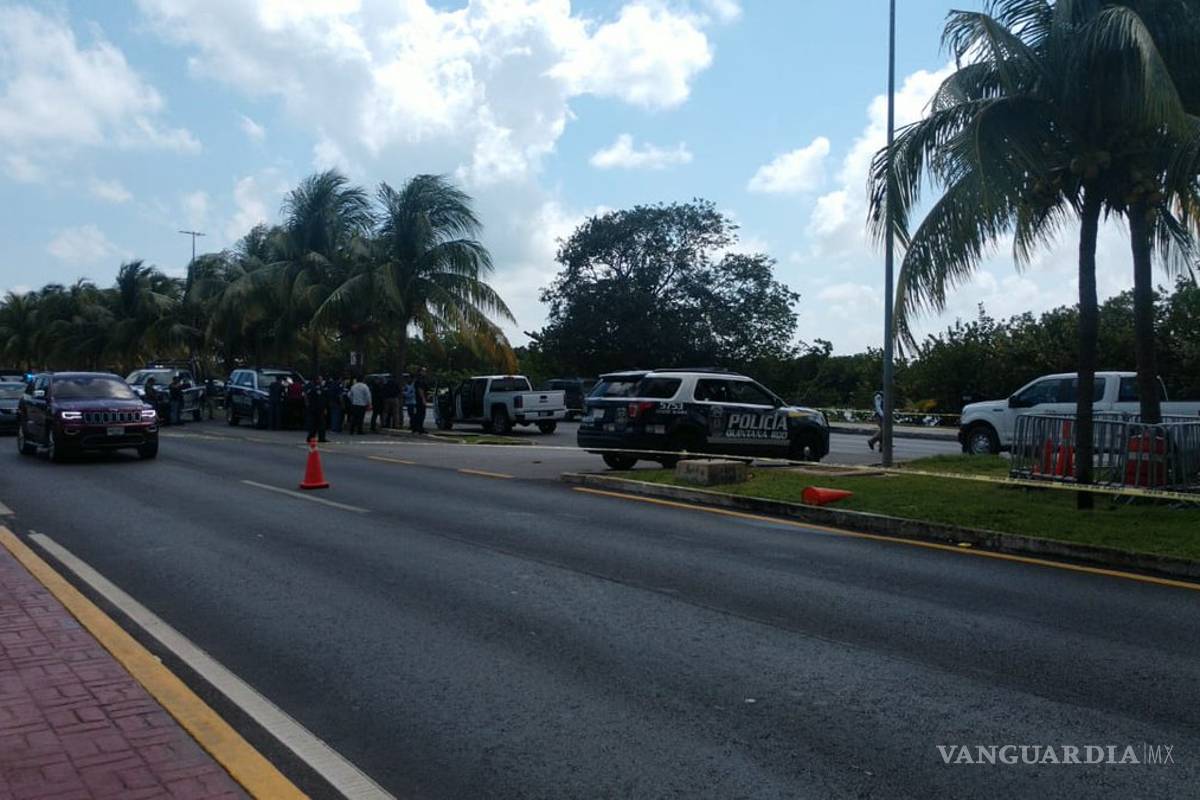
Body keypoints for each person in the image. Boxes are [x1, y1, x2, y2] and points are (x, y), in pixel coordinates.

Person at [304, 375, 328, 443]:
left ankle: (321, 438)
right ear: (317, 380)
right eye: (320, 379)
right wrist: (308, 404)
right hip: (314, 408)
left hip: (320, 408)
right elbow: (306, 396)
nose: (321, 381)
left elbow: (323, 398)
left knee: (321, 424)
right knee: (314, 424)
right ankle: (311, 437)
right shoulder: (312, 387)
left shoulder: (321, 387)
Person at [411, 367, 430, 434]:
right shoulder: (420, 380)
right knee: (421, 414)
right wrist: (423, 399)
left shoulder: (421, 379)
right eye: (423, 371)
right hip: (420, 399)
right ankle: (419, 428)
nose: (425, 372)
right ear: (420, 372)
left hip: (419, 399)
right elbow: (420, 390)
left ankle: (416, 427)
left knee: (419, 414)